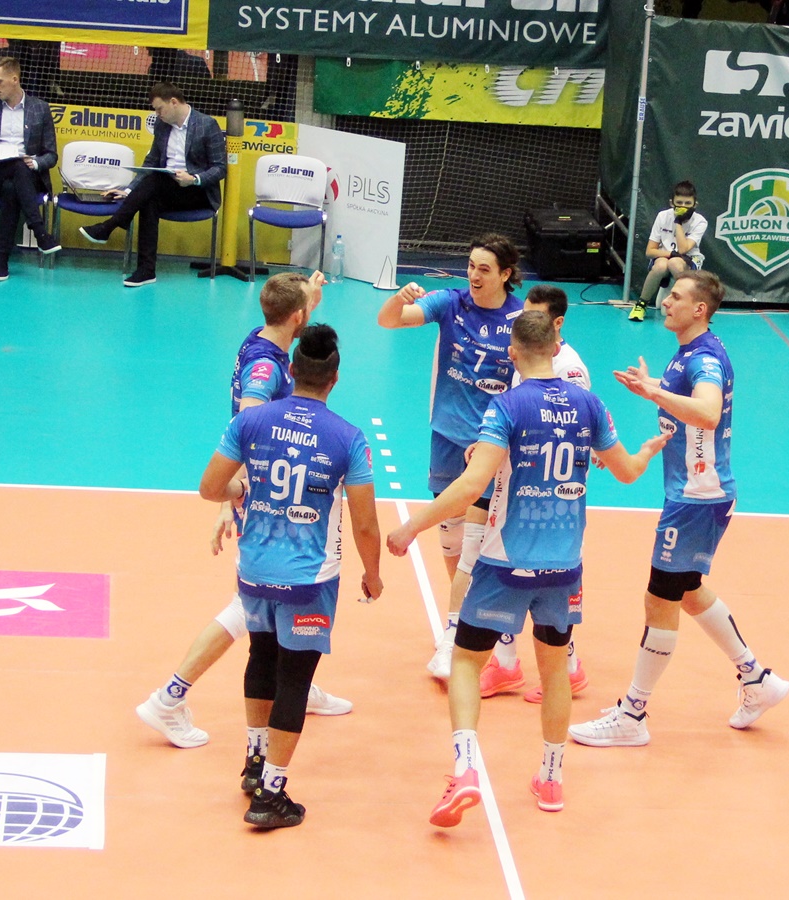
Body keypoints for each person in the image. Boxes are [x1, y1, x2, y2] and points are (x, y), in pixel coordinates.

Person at [388, 310, 668, 825]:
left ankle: (466, 770)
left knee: (466, 663)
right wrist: (647, 451)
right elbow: (627, 472)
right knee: (555, 668)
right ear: (556, 347)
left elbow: (471, 486)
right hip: (564, 566)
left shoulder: (507, 406)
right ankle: (552, 778)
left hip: (504, 562)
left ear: (512, 354)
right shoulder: (589, 404)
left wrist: (412, 527)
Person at [570, 271, 789, 750]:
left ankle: (633, 714)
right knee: (688, 591)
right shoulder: (691, 351)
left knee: (660, 598)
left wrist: (654, 393)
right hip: (696, 493)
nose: (666, 302)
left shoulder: (705, 358)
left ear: (700, 309)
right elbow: (688, 401)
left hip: (697, 496)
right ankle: (757, 679)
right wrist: (652, 385)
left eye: (675, 296)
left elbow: (707, 411)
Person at [135, 272, 354, 753]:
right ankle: (169, 697)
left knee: (269, 607)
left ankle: (296, 682)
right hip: (266, 496)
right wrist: (232, 496)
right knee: (248, 608)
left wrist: (310, 300)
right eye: (308, 307)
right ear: (297, 317)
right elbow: (251, 424)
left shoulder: (266, 337)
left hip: (268, 492)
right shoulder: (266, 367)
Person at [199, 323, 383, 829]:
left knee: (261, 657)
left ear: (293, 370)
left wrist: (243, 491)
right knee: (295, 679)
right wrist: (373, 574)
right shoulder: (348, 437)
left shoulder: (251, 421)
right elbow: (365, 523)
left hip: (255, 568)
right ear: (334, 379)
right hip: (309, 579)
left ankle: (254, 761)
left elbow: (210, 487)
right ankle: (270, 793)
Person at [376, 234, 527, 682]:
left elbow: (543, 368)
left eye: (484, 269)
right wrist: (398, 298)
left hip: (491, 445)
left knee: (478, 541)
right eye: (471, 265)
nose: (473, 275)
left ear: (505, 274)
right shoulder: (450, 303)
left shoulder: (521, 318)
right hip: (446, 436)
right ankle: (464, 614)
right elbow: (389, 321)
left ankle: (456, 632)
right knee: (452, 537)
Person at [477, 285, 594, 702]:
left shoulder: (570, 368)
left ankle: (565, 668)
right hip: (517, 483)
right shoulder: (526, 358)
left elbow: (577, 429)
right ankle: (509, 663)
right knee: (522, 577)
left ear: (556, 324)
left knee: (537, 580)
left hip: (547, 497)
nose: (523, 323)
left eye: (535, 316)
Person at [77, 83, 226, 287]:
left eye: (159, 109)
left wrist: (194, 179)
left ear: (174, 102)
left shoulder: (207, 125)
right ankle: (146, 270)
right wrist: (129, 190)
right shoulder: (161, 125)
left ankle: (109, 226)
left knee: (154, 183)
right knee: (149, 199)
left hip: (197, 191)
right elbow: (152, 161)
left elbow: (220, 168)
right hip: (166, 188)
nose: (157, 114)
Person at [0, 56, 62, 282]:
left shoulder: (40, 109)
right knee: (15, 168)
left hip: (27, 176)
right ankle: (40, 232)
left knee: (13, 184)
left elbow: (51, 155)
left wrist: (34, 163)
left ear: (15, 79)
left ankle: (1, 261)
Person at [632, 181, 705, 323]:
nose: (683, 207)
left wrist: (678, 222)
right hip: (665, 256)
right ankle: (641, 305)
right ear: (672, 203)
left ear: (695, 205)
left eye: (687, 203)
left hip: (689, 259)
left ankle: (689, 307)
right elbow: (650, 251)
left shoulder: (700, 221)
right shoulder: (662, 216)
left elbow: (683, 249)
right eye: (679, 203)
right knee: (660, 266)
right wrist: (670, 254)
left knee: (675, 263)